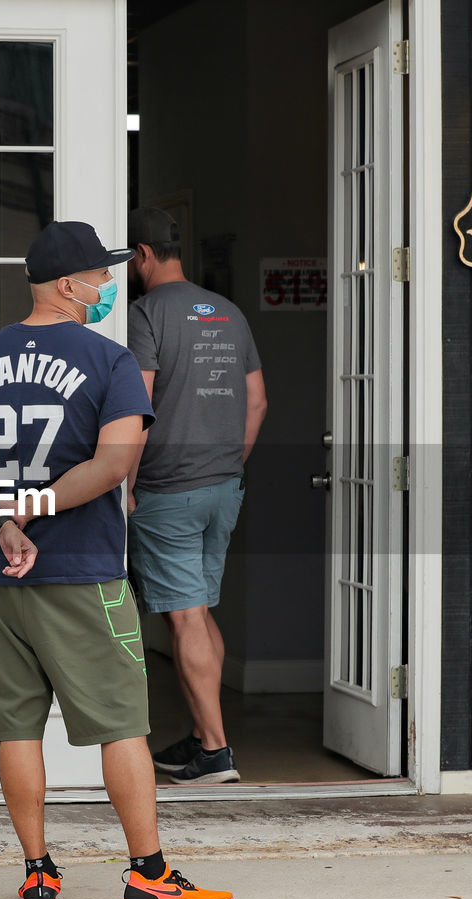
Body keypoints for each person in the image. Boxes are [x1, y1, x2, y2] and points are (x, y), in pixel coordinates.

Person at [0, 220, 233, 899]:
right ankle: (148, 874)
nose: (107, 286)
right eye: (99, 277)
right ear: (68, 285)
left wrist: (1, 521)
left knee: (16, 725)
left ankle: (38, 873)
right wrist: (33, 512)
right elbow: (115, 462)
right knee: (123, 720)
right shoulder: (109, 361)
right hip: (82, 571)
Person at [124, 206, 268, 785]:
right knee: (199, 612)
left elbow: (138, 407)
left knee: (183, 618)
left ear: (142, 254)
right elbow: (257, 402)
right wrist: (230, 465)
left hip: (168, 490)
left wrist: (124, 487)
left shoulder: (146, 313)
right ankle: (203, 740)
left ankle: (215, 750)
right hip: (221, 487)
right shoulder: (228, 313)